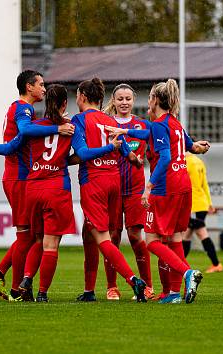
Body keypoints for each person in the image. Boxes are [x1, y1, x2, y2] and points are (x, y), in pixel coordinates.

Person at [0, 85, 113, 301]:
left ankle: (21, 279)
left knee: (36, 238)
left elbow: (10, 148)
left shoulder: (34, 127)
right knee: (50, 244)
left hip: (33, 187)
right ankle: (40, 292)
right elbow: (83, 154)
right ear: (64, 104)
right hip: (56, 189)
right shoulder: (69, 128)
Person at [108, 79, 209, 304]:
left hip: (166, 188)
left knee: (152, 240)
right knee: (174, 237)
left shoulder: (160, 124)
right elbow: (190, 146)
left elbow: (164, 157)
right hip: (184, 185)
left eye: (150, 97)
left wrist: (149, 186)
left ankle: (187, 273)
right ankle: (173, 293)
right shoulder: (174, 123)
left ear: (155, 100)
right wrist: (200, 148)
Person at [0, 70, 74, 302]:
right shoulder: (25, 109)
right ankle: (13, 287)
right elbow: (23, 133)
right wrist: (58, 128)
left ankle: (4, 275)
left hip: (17, 177)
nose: (43, 89)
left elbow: (13, 144)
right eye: (40, 84)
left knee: (31, 236)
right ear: (28, 86)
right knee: (28, 238)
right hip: (21, 178)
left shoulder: (21, 110)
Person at [71, 77, 148, 302]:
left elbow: (84, 154)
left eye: (77, 95)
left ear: (83, 97)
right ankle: (88, 291)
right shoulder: (108, 120)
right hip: (114, 181)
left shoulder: (79, 120)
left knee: (103, 237)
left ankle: (133, 280)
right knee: (89, 235)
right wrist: (134, 159)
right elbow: (125, 149)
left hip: (94, 181)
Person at [101, 84, 154, 300]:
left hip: (134, 190)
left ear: (134, 101)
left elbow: (155, 152)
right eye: (120, 98)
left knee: (134, 236)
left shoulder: (142, 125)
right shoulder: (106, 124)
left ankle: (148, 286)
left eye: (128, 99)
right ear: (113, 101)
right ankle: (112, 287)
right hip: (112, 188)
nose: (124, 102)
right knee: (112, 237)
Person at [183, 152, 223, 273]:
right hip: (200, 203)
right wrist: (209, 203)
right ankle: (179, 264)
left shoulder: (189, 162)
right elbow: (204, 184)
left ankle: (216, 264)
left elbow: (192, 186)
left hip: (194, 204)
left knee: (200, 233)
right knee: (187, 234)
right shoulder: (199, 161)